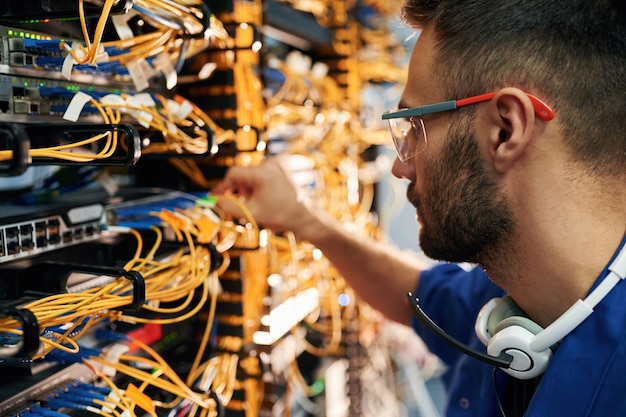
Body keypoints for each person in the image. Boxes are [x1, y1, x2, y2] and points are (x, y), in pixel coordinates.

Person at [213, 0, 626, 415]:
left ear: (505, 129)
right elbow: (421, 296)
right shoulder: (524, 284)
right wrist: (306, 222)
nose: (399, 166)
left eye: (415, 126)